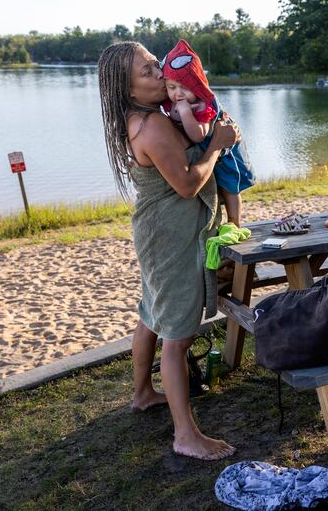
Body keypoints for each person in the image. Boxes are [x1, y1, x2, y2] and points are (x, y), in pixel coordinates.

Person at [98, 41, 240, 460]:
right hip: (170, 240)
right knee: (176, 338)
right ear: (128, 90)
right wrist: (217, 144)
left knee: (151, 313)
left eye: (156, 65)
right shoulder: (152, 126)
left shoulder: (142, 118)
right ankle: (186, 436)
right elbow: (186, 184)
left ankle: (143, 393)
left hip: (156, 234)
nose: (161, 75)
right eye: (148, 73)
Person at [161, 39, 255, 228]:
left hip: (226, 154)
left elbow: (199, 135)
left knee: (230, 188)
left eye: (184, 88)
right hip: (210, 156)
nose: (178, 94)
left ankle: (235, 223)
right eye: (172, 88)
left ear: (197, 87)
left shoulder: (203, 106)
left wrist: (185, 112)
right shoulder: (180, 101)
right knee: (216, 189)